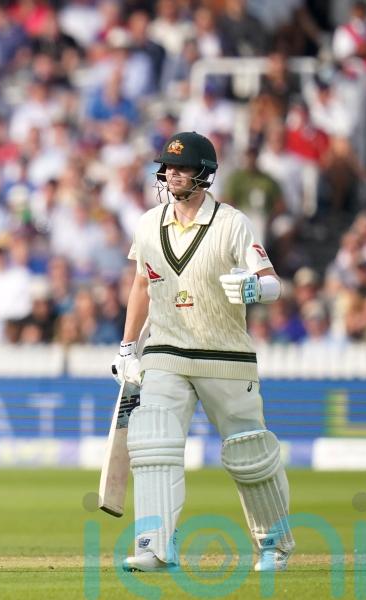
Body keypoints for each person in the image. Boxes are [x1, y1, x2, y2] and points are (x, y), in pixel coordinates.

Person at [111, 131, 294, 573]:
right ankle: (156, 544)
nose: (172, 173)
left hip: (225, 354)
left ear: (204, 173)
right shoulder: (148, 223)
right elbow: (141, 283)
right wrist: (126, 346)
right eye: (168, 166)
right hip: (166, 352)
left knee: (249, 450)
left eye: (183, 166)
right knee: (153, 440)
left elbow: (271, 280)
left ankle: (273, 545)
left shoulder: (231, 222)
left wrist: (255, 287)